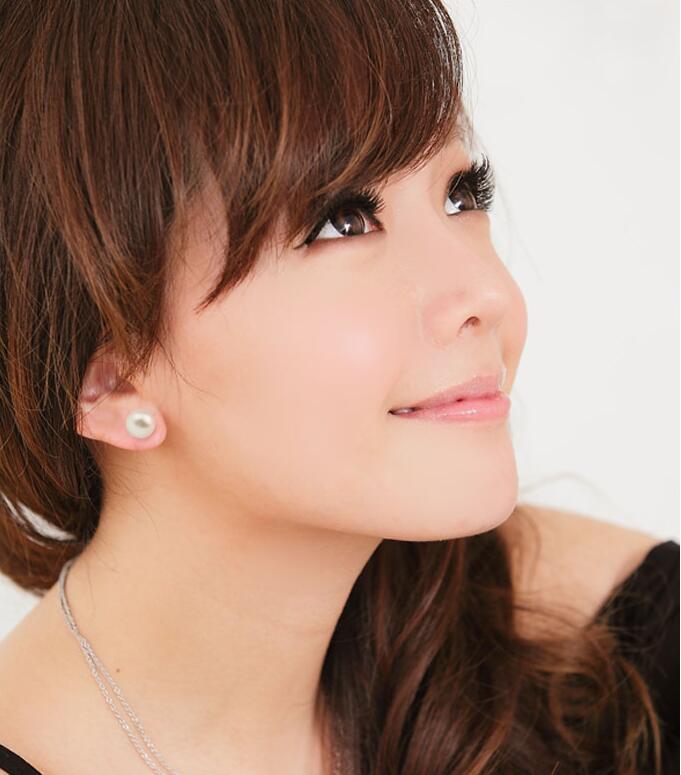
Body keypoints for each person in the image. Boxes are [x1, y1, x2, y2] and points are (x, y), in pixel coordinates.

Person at [0, 2, 677, 774]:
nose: (487, 293)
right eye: (342, 222)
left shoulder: (591, 637)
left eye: (460, 195)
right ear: (115, 380)